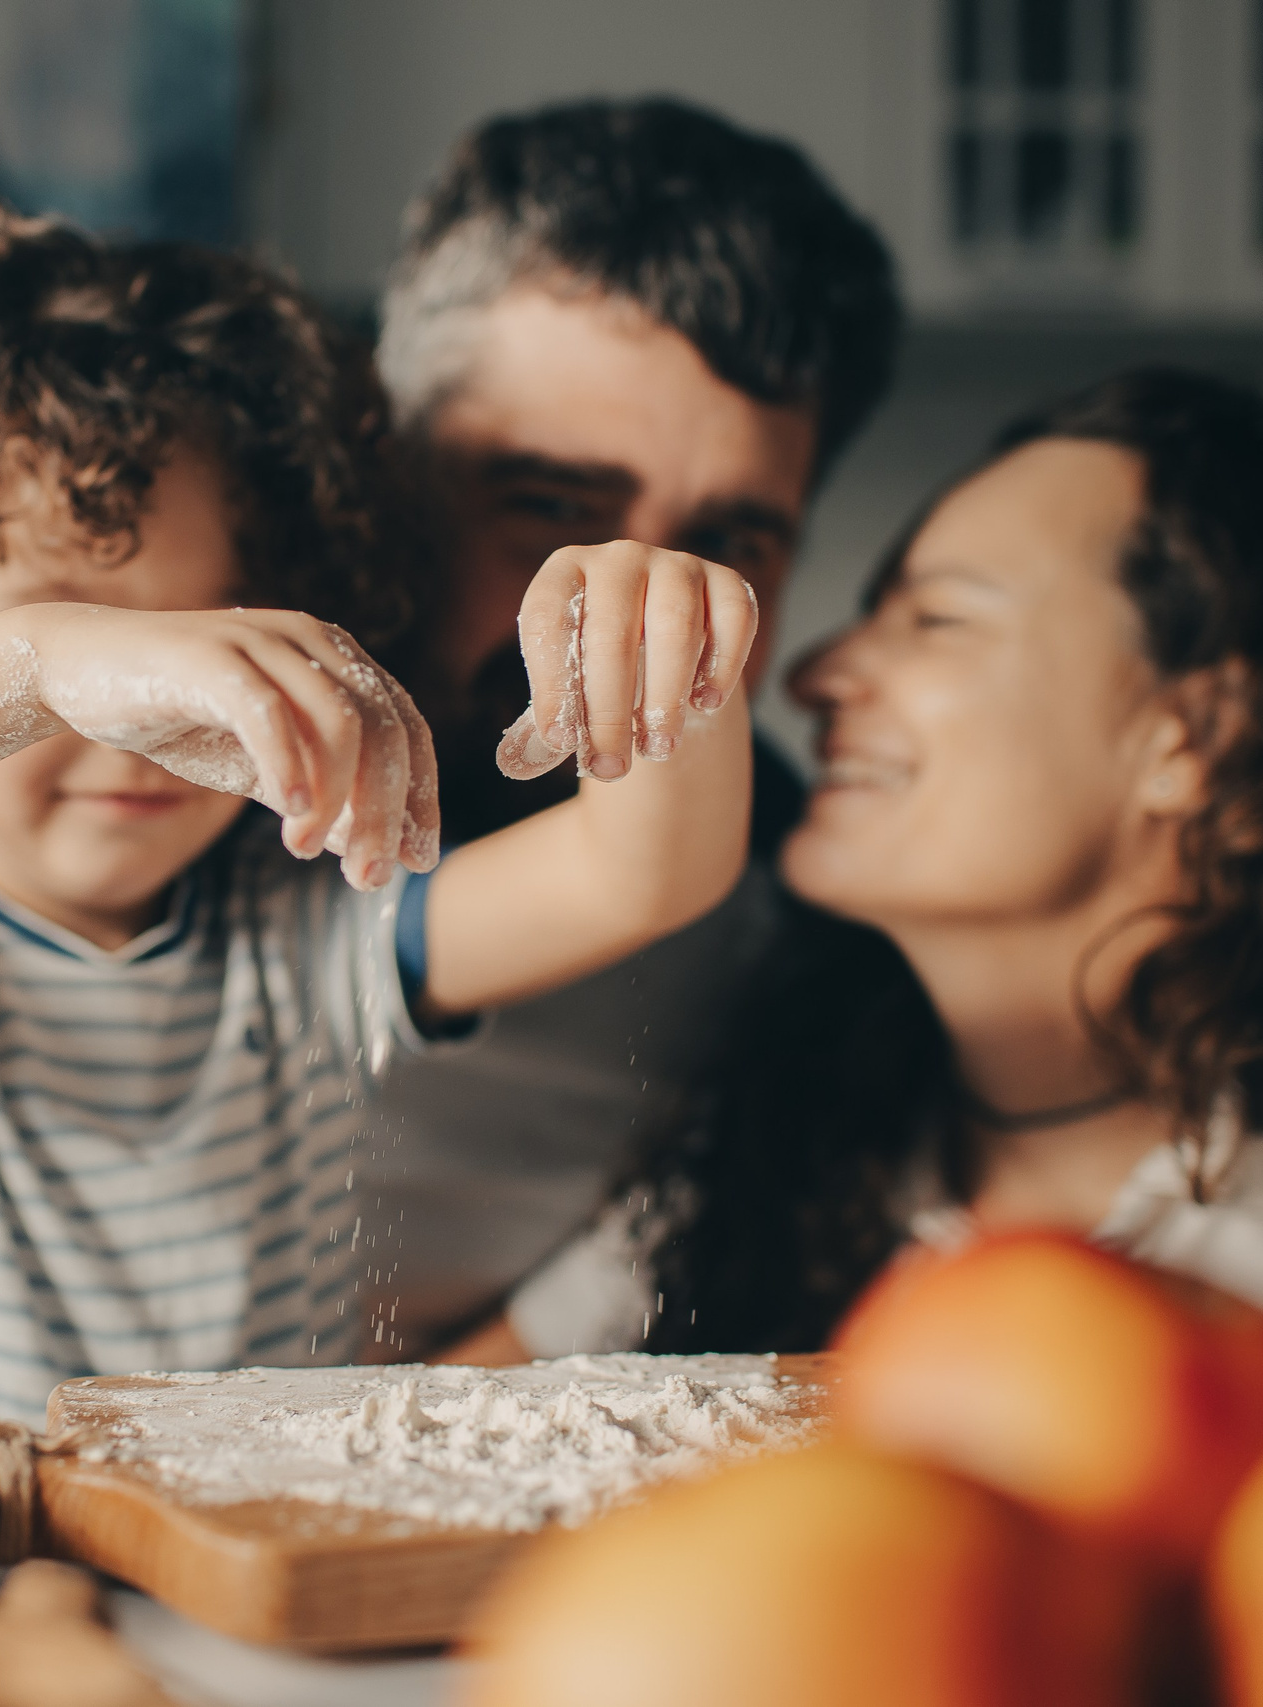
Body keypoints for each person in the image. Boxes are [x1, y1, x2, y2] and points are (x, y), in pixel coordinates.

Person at [0, 204, 762, 1431]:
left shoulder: (307, 933)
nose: (142, 718)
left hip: (215, 1596)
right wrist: (39, 667)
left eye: (204, 640)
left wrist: (655, 639)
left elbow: (646, 876)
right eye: (86, 638)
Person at [489, 367, 1263, 1372]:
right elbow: (408, 1446)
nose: (816, 673)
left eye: (935, 620)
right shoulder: (759, 1154)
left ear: (1194, 736)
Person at [362, 99, 903, 1354]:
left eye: (723, 546)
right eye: (548, 505)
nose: (626, 622)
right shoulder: (151, 777)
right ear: (383, 463)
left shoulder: (793, 912)